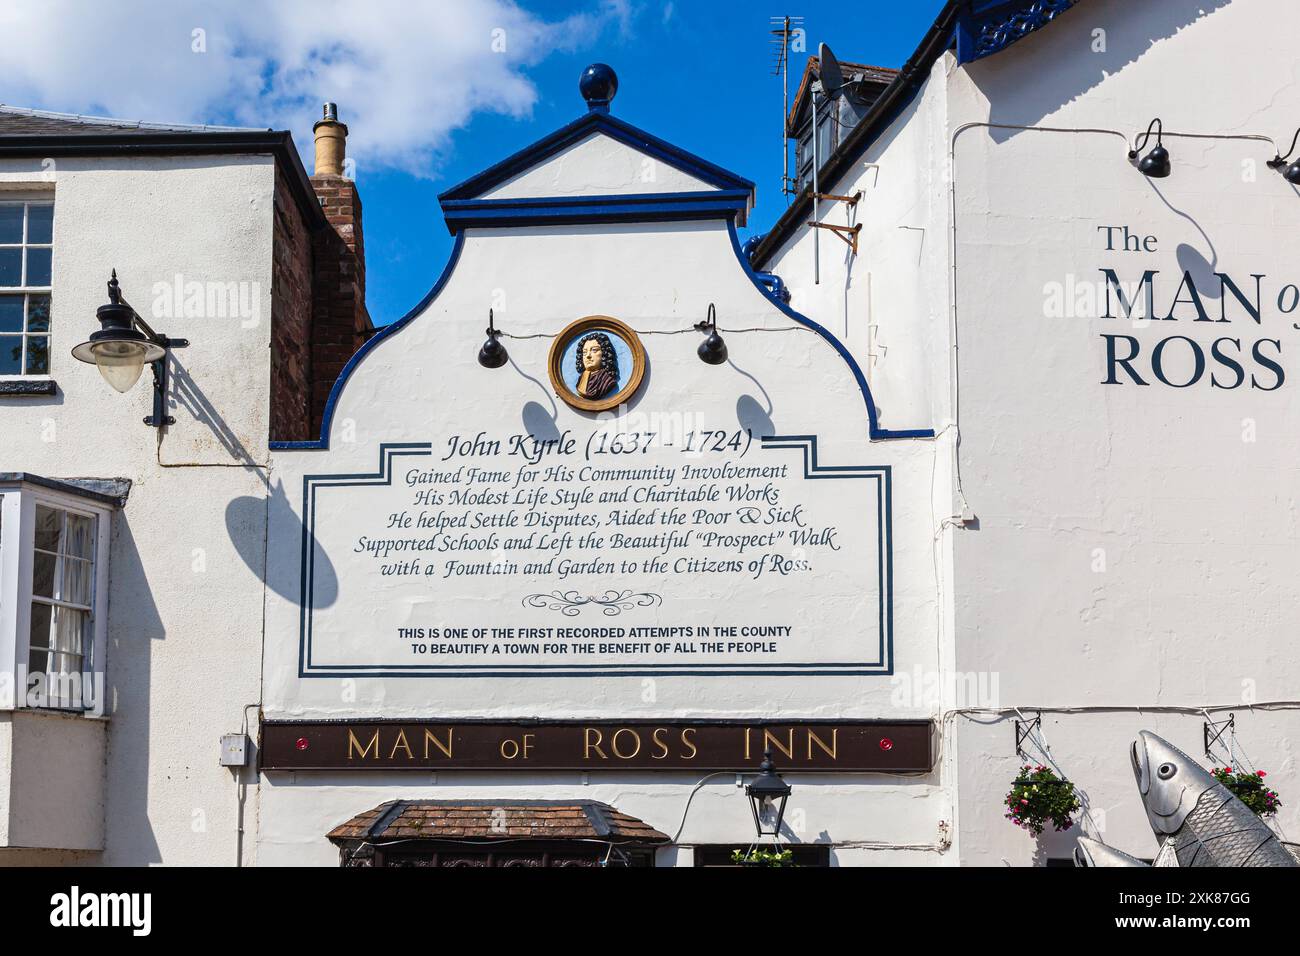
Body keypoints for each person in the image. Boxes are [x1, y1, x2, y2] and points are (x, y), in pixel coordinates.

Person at [574, 331, 620, 400]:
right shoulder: (581, 379)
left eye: (594, 350)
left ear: (604, 353)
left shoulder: (607, 380)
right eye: (584, 352)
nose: (588, 356)